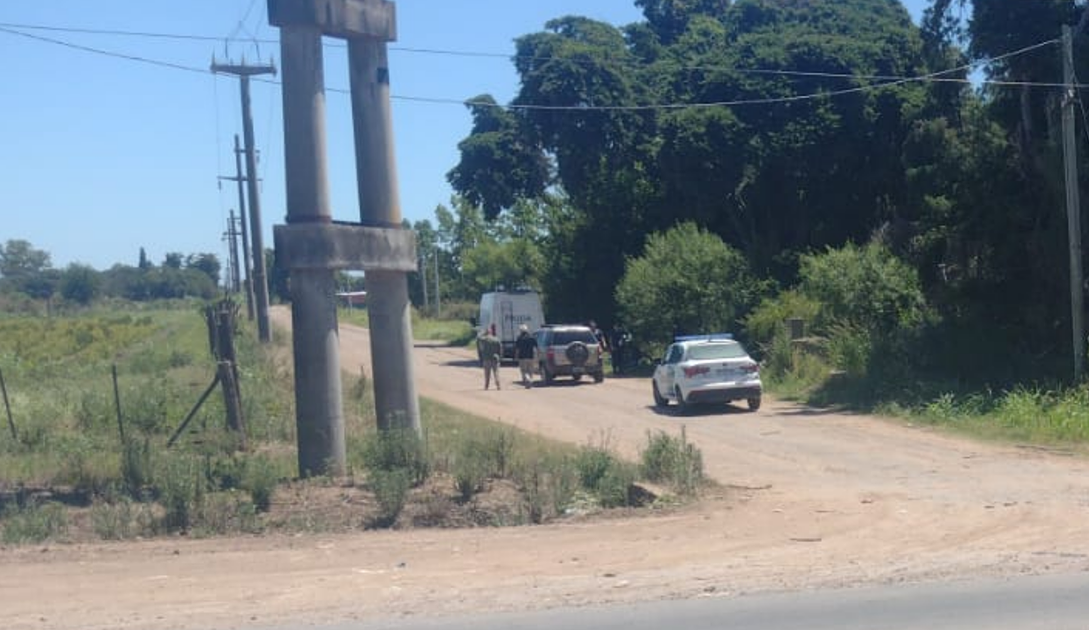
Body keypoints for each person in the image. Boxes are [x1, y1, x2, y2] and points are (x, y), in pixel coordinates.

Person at [477, 323, 502, 390]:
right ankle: (498, 385)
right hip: (495, 358)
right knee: (496, 372)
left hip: (487, 359)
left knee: (487, 374)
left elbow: (478, 337)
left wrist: (483, 332)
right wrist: (500, 357)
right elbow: (500, 349)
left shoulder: (485, 339)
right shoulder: (496, 339)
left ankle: (486, 386)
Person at [514, 324, 539, 388]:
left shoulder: (519, 338)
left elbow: (517, 349)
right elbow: (536, 347)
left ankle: (528, 380)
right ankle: (529, 382)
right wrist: (537, 355)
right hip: (531, 356)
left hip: (522, 357)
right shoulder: (532, 337)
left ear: (521, 331)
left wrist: (516, 356)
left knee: (524, 371)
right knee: (530, 371)